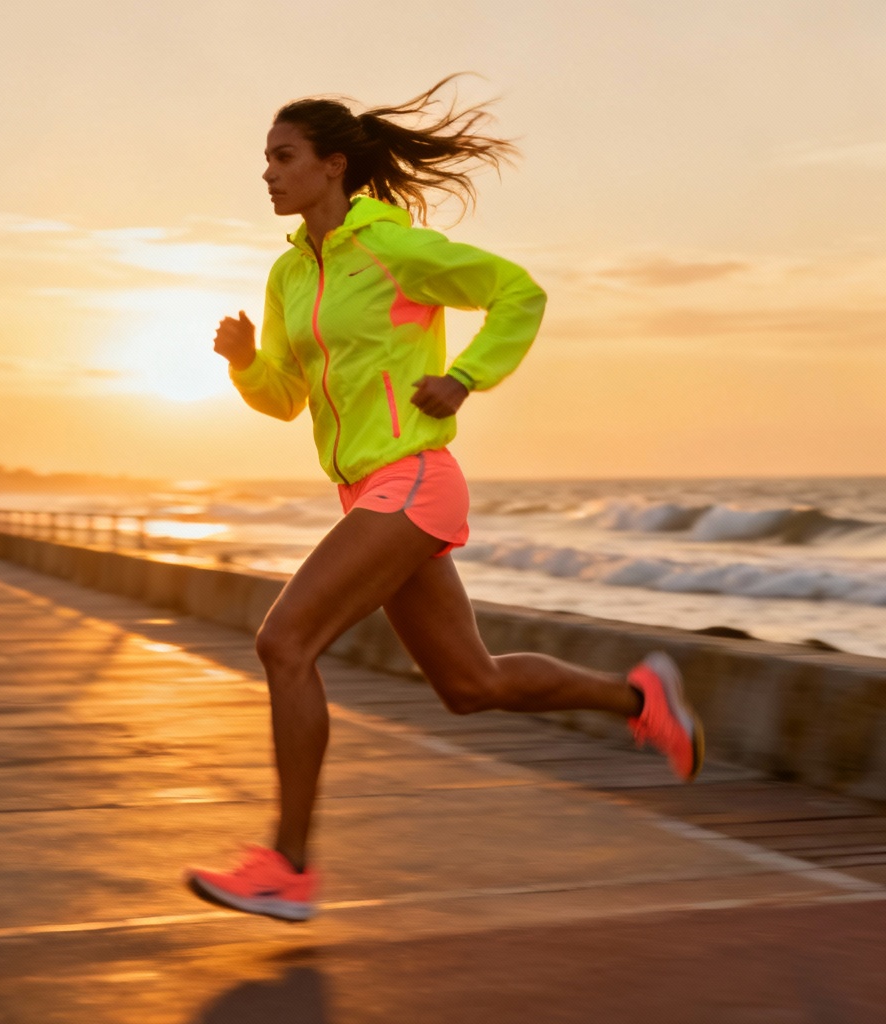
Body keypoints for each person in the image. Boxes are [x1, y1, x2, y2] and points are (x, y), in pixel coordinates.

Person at [184, 76, 703, 923]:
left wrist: (464, 377)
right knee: (470, 684)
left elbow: (518, 293)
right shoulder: (287, 276)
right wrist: (244, 361)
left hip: (414, 477)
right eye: (266, 160)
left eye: (284, 157)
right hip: (363, 492)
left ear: (333, 165)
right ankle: (641, 698)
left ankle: (288, 866)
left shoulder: (395, 249)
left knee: (285, 641)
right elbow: (285, 398)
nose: (268, 174)